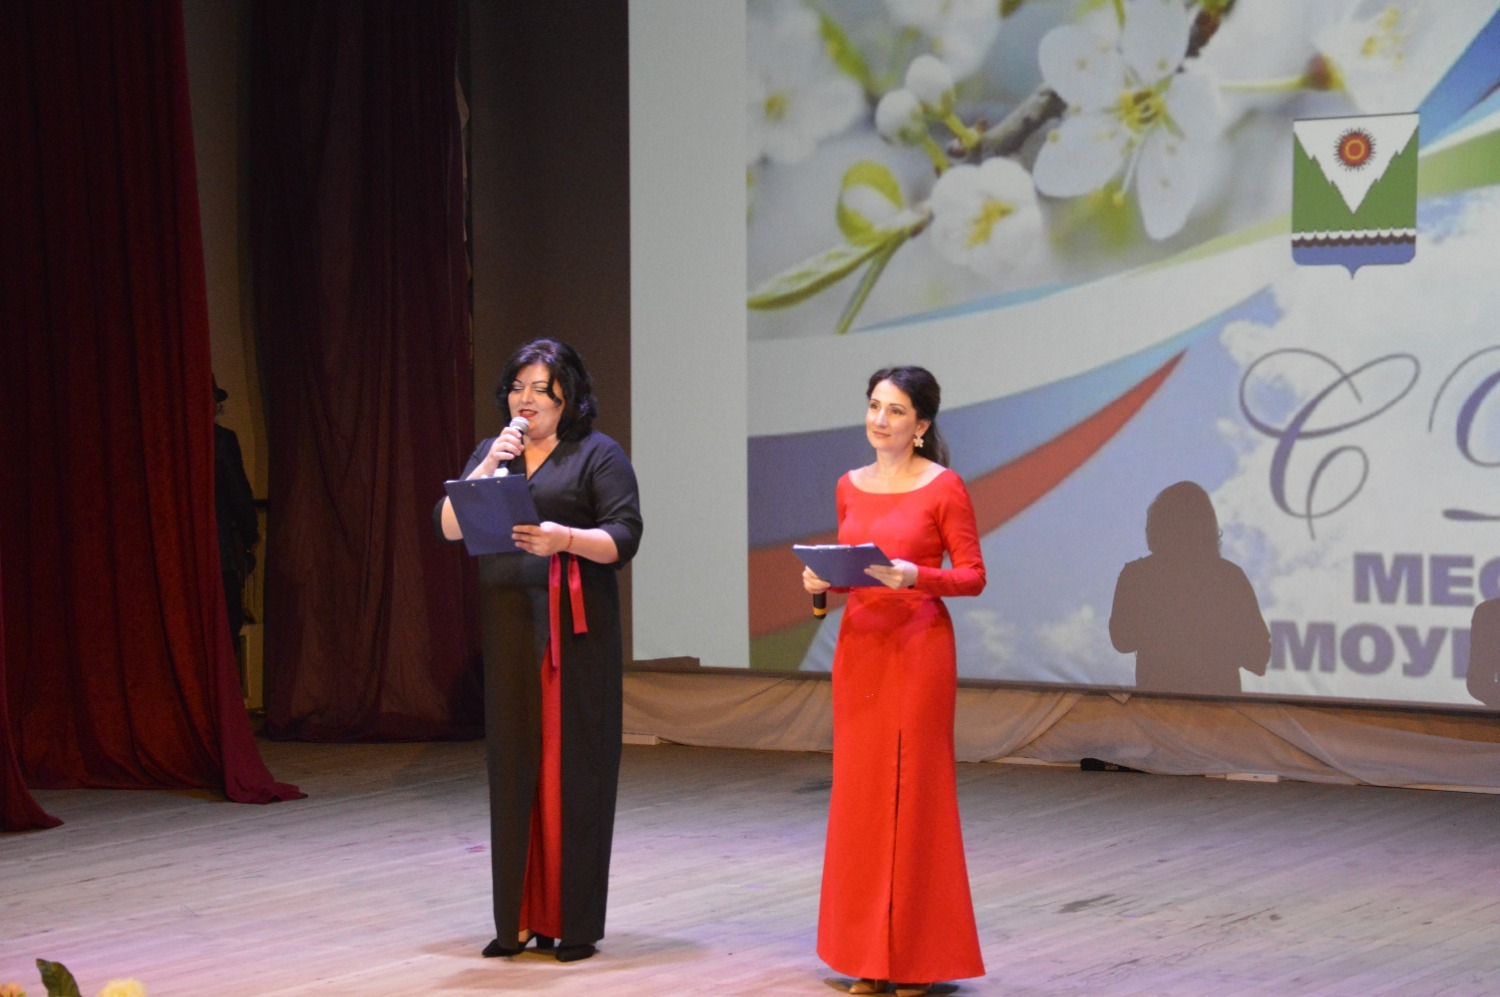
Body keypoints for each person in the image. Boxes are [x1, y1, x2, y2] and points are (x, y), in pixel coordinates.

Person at [436, 339, 642, 963]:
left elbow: (624, 536)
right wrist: (486, 465)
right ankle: (517, 921)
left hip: (575, 633)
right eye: (517, 387)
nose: (525, 399)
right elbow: (448, 523)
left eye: (540, 389)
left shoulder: (597, 454)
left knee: (571, 771)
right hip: (509, 627)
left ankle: (571, 924)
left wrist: (565, 538)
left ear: (568, 396)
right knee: (514, 768)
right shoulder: (495, 453)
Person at [801, 365, 986, 997]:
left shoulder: (944, 487)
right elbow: (854, 570)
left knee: (916, 800)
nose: (880, 420)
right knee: (863, 802)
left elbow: (972, 575)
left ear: (922, 425)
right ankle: (867, 957)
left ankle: (916, 957)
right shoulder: (848, 486)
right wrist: (822, 584)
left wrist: (916, 576)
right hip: (861, 651)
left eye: (896, 411)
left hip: (918, 649)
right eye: (875, 406)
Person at [1108, 481, 1270, 696]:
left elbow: (1122, 640)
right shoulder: (1230, 576)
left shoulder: (1136, 575)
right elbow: (1258, 656)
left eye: (1152, 523)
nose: (1147, 530)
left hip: (1164, 707)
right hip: (1211, 708)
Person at [213, 377, 259, 645]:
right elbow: (238, 491)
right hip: (219, 550)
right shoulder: (220, 441)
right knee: (226, 623)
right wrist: (251, 533)